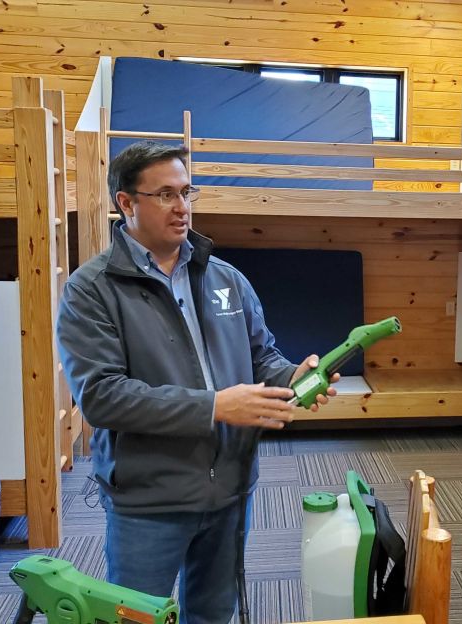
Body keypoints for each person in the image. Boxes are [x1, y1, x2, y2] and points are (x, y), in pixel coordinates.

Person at [56, 140, 337, 624]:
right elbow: (102, 397)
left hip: (230, 489)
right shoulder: (91, 291)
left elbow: (260, 356)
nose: (182, 207)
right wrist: (215, 407)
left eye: (187, 192)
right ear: (126, 203)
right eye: (165, 194)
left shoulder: (226, 278)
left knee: (212, 614)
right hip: (150, 499)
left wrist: (293, 375)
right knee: (133, 617)